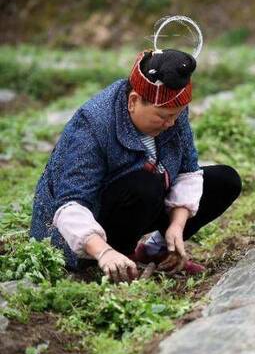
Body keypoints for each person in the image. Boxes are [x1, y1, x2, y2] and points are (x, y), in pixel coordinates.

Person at [30, 49, 242, 282]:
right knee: (145, 183)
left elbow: (187, 170)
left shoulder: (172, 111)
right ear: (133, 101)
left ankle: (158, 251)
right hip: (89, 222)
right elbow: (71, 204)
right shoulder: (93, 124)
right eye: (162, 116)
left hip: (141, 202)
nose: (171, 123)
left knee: (225, 180)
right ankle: (114, 257)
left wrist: (176, 226)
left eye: (176, 115)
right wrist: (104, 251)